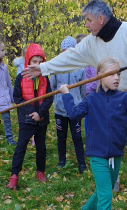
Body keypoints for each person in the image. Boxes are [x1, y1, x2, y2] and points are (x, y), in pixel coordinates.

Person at [22, 0, 127, 200]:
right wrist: (44, 68)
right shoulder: (91, 42)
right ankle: (111, 183)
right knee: (111, 141)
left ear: (101, 19)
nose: (86, 25)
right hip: (110, 99)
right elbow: (70, 57)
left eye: (89, 20)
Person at [60, 57, 127, 209]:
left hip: (116, 155)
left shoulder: (125, 98)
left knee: (102, 192)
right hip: (97, 155)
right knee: (106, 194)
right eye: (112, 74)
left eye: (118, 74)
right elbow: (74, 114)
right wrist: (66, 95)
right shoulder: (92, 99)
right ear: (100, 76)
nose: (116, 78)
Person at [6, 44, 53, 189]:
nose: (37, 65)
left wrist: (40, 113)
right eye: (34, 62)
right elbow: (18, 98)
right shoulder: (20, 78)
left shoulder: (45, 79)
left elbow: (49, 98)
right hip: (26, 119)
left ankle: (40, 171)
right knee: (21, 146)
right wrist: (31, 113)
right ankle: (14, 175)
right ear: (28, 62)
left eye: (40, 62)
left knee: (41, 147)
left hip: (42, 119)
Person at [50, 36, 86, 173]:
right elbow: (53, 86)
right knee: (61, 137)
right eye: (64, 51)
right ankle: (61, 161)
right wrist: (58, 99)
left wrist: (78, 102)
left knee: (77, 137)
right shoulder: (56, 68)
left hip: (75, 109)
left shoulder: (80, 68)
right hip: (60, 109)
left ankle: (81, 163)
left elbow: (83, 90)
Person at [75, 33, 98, 137]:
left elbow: (96, 80)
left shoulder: (92, 60)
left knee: (92, 121)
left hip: (92, 96)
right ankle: (90, 142)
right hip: (86, 95)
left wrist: (85, 90)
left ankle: (93, 142)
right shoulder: (82, 60)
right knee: (88, 121)